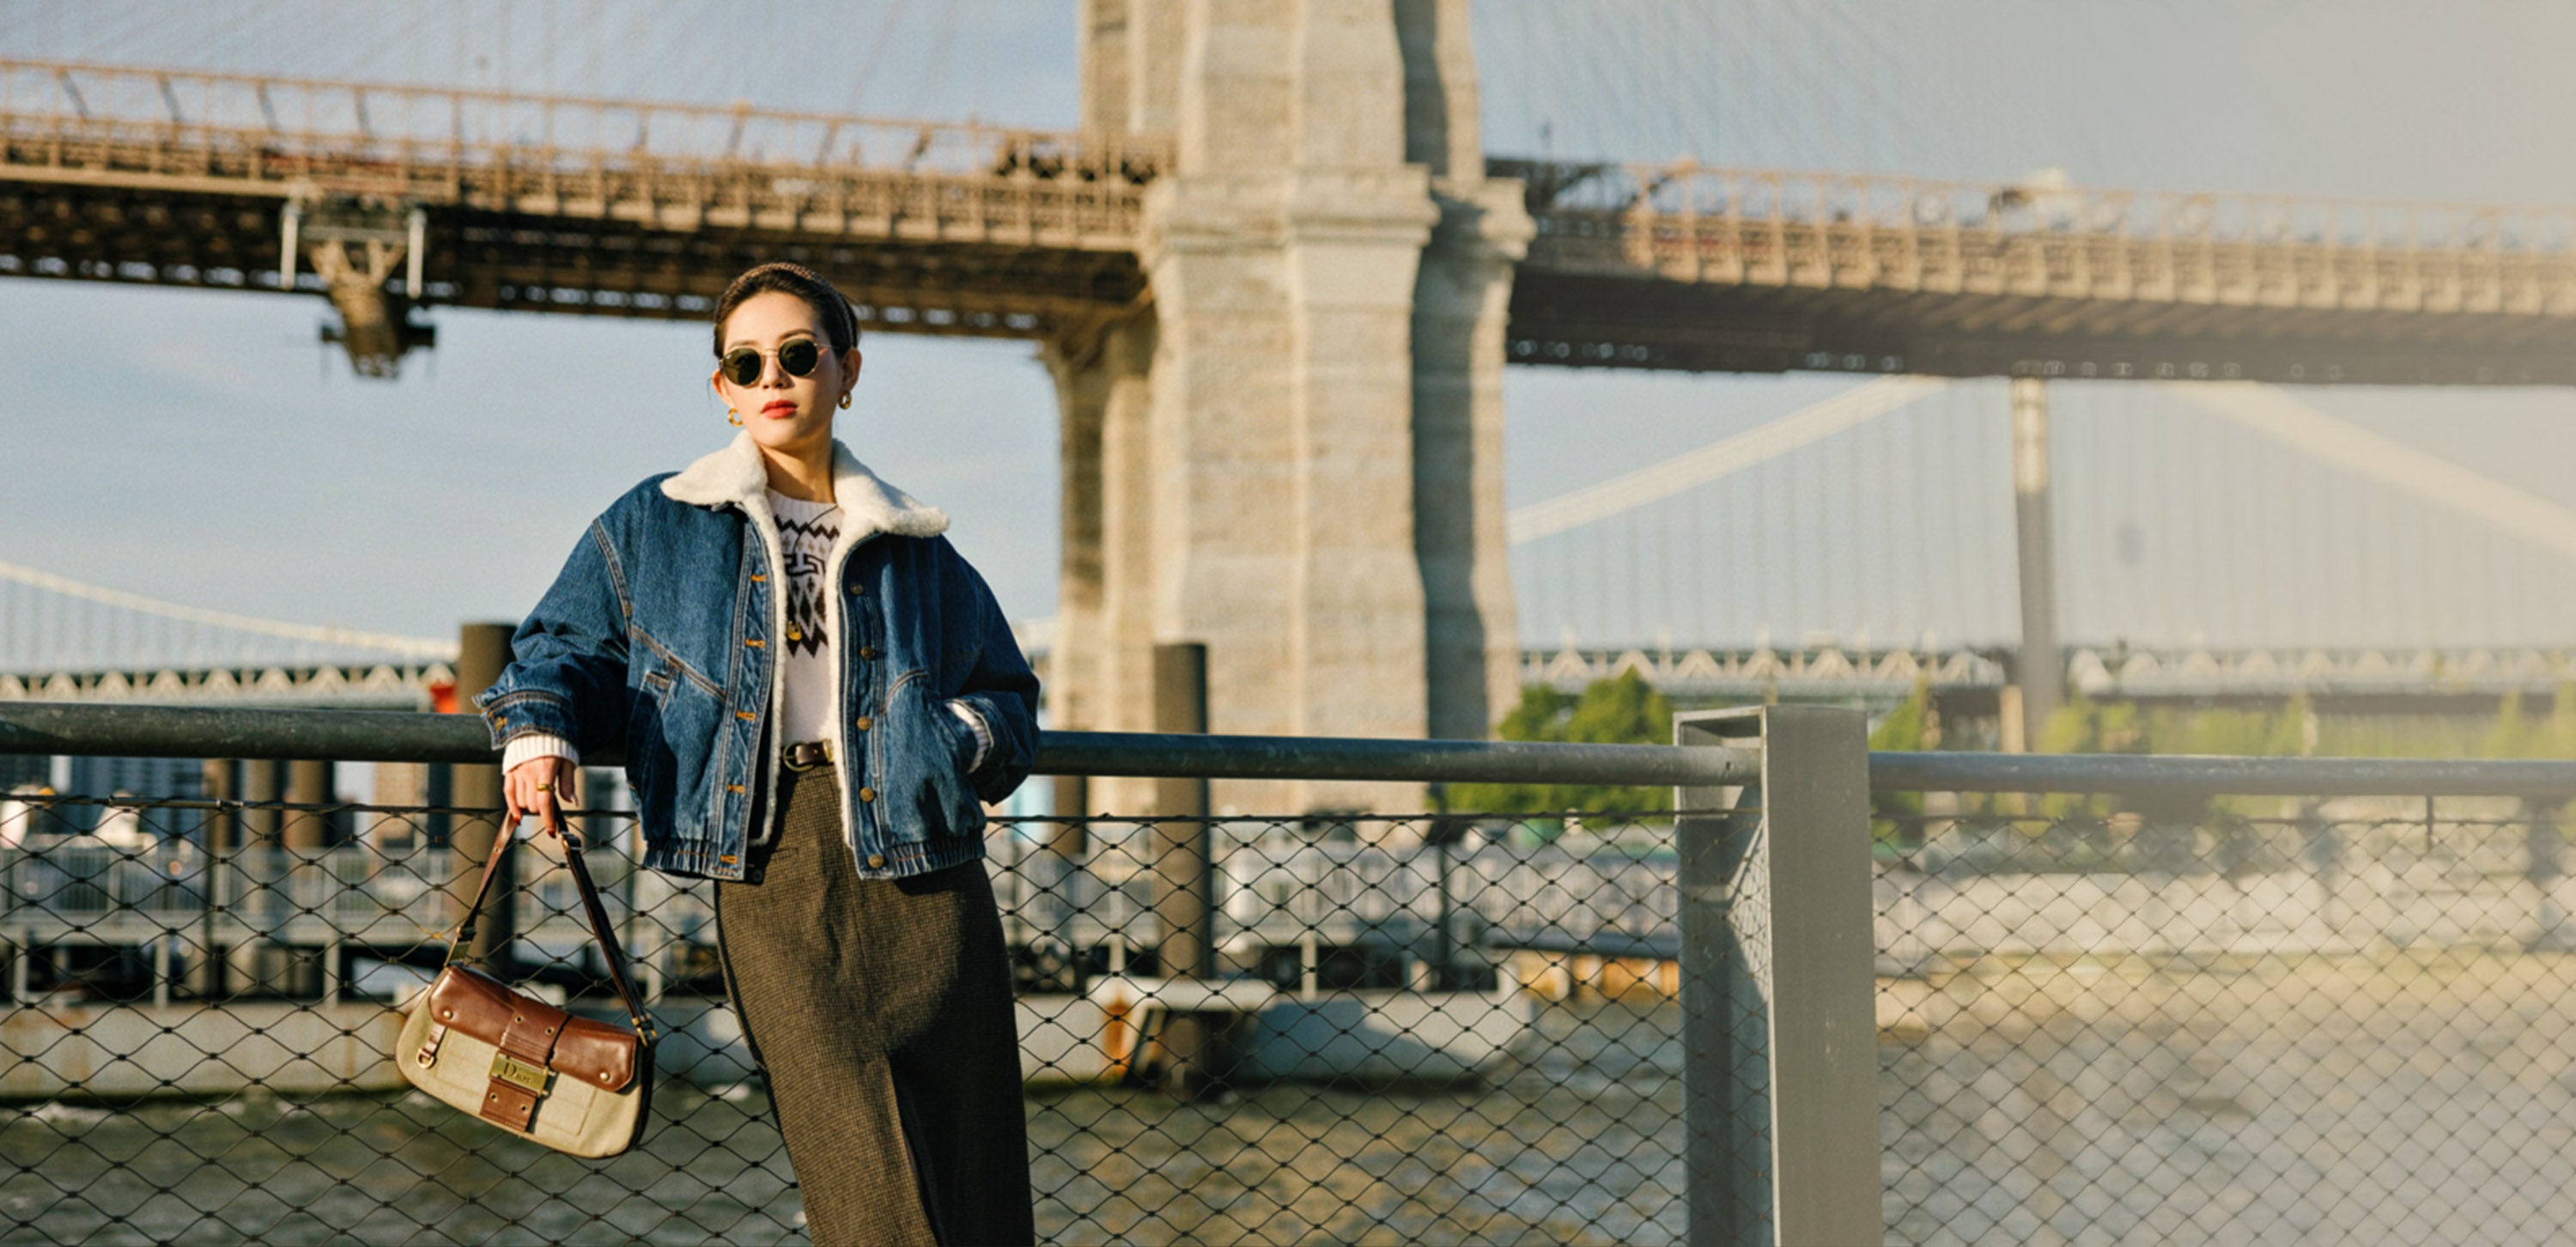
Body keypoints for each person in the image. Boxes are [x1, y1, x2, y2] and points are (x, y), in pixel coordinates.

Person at [475, 261, 1041, 1246]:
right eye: (746, 361)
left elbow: (1008, 696)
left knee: (974, 1167)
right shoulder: (658, 522)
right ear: (722, 390)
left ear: (846, 370)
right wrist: (538, 727)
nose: (772, 376)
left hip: (926, 863)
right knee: (856, 1165)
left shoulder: (916, 545)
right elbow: (561, 643)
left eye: (797, 354)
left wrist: (952, 745)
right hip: (771, 860)